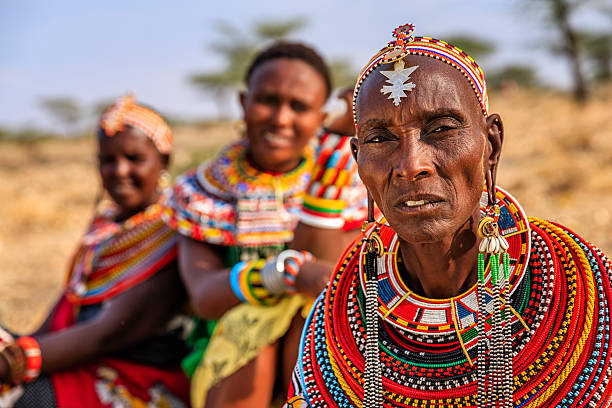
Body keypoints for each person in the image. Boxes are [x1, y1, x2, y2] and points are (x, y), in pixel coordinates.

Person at [285, 24, 612, 407]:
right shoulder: (338, 314)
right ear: (358, 159)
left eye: (441, 129)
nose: (411, 164)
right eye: (379, 138)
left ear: (491, 145)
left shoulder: (583, 285)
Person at [162, 42, 368, 408]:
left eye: (299, 107)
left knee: (314, 318)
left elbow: (327, 282)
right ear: (243, 103)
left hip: (307, 352)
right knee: (252, 323)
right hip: (227, 361)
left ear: (320, 116)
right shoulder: (201, 192)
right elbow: (206, 296)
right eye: (268, 100)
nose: (280, 118)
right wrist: (282, 274)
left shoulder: (348, 185)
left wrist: (330, 163)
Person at [0, 94, 190, 407]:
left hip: (136, 383)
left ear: (164, 161)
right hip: (77, 361)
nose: (119, 170)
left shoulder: (173, 233)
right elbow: (70, 299)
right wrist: (19, 346)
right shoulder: (105, 227)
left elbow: (106, 334)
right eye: (108, 160)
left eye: (134, 158)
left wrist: (15, 362)